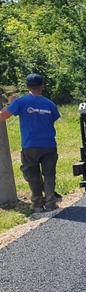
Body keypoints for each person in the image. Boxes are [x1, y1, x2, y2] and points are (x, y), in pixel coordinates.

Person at [0, 74, 60, 212]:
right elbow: (52, 120)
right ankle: (50, 203)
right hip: (49, 144)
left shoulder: (21, 102)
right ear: (42, 86)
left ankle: (37, 204)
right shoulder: (50, 104)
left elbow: (2, 117)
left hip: (30, 144)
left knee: (32, 173)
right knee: (49, 174)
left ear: (26, 86)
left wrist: (11, 103)